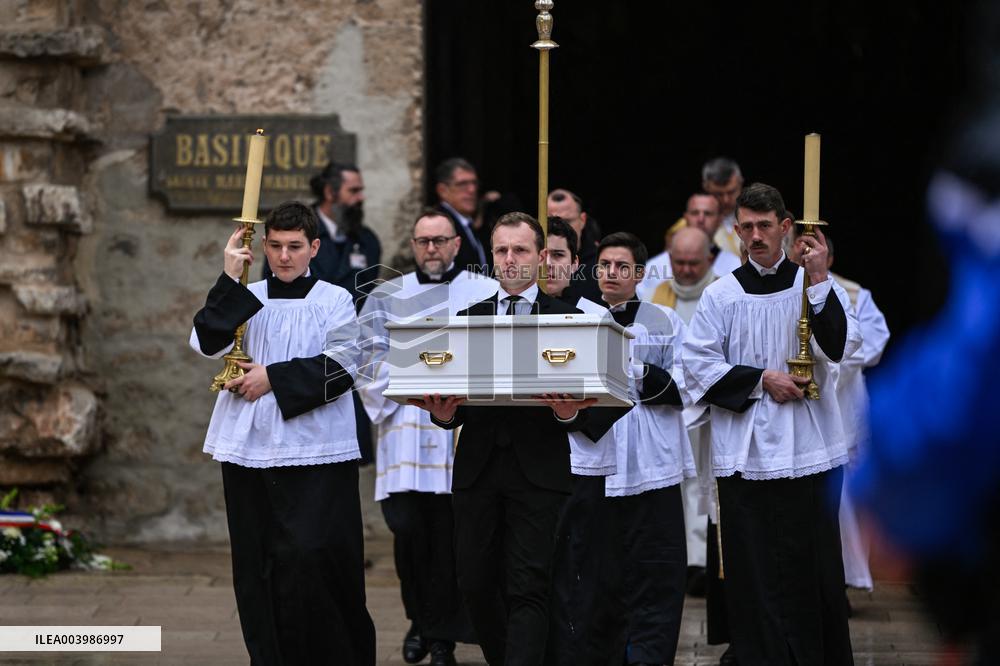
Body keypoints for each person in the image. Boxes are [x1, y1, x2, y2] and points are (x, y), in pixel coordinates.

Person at [682, 183, 861, 664]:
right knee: (754, 572)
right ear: (735, 230)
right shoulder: (722, 295)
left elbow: (840, 349)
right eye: (747, 227)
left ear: (786, 227)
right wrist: (763, 380)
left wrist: (820, 277)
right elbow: (696, 365)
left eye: (766, 225)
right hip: (746, 456)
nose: (756, 235)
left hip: (810, 450)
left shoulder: (815, 286)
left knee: (814, 568)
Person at [190, 202, 375, 665]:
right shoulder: (247, 296)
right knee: (258, 566)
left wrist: (271, 377)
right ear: (264, 246)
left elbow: (343, 368)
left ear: (314, 247)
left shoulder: (333, 299)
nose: (284, 257)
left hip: (318, 451)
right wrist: (230, 278)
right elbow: (207, 342)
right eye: (274, 246)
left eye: (295, 247)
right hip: (249, 450)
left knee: (318, 559)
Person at [410, 212, 596, 666]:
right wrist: (443, 415)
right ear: (490, 257)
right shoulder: (467, 318)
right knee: (473, 582)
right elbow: (455, 400)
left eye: (520, 250)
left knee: (528, 583)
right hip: (477, 469)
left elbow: (589, 400)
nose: (510, 260)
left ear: (540, 258)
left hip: (539, 470)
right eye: (501, 251)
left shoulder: (568, 319)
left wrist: (569, 411)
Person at [358, 209, 497, 666]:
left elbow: (497, 353)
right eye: (423, 241)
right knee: (409, 532)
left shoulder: (485, 291)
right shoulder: (385, 295)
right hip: (405, 428)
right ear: (413, 246)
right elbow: (366, 360)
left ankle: (442, 637)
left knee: (451, 536)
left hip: (458, 432)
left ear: (457, 244)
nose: (432, 249)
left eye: (440, 240)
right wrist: (413, 374)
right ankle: (418, 618)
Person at [592, 232, 694, 666]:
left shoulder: (665, 320)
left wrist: (632, 367)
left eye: (621, 266)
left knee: (656, 571)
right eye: (604, 265)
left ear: (638, 273)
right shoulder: (578, 319)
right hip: (599, 461)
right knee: (604, 573)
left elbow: (687, 383)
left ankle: (650, 655)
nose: (611, 273)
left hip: (655, 463)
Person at [788, 228, 891, 593]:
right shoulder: (786, 292)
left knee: (845, 498)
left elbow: (874, 341)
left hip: (844, 401)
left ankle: (847, 579)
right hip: (797, 402)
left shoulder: (854, 294)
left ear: (827, 256)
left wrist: (832, 363)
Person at [271, 161, 383, 464]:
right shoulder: (294, 236)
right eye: (354, 190)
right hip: (300, 360)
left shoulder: (367, 240)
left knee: (341, 452)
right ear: (330, 192)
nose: (361, 197)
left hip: (345, 360)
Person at [637, 193, 741, 301]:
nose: (701, 219)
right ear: (686, 217)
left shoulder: (735, 266)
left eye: (708, 214)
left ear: (720, 220)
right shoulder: (655, 267)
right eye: (695, 213)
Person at [434, 157, 490, 274]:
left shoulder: (471, 223)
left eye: (474, 183)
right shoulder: (438, 224)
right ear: (442, 190)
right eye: (462, 184)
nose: (472, 189)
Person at [548, 188, 604, 303]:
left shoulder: (603, 263)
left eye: (567, 221)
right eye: (551, 221)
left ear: (583, 220)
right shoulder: (530, 261)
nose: (560, 227)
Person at [702, 157, 744, 258]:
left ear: (741, 183)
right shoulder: (689, 225)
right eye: (718, 194)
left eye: (731, 192)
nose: (726, 200)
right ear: (706, 187)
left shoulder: (761, 219)